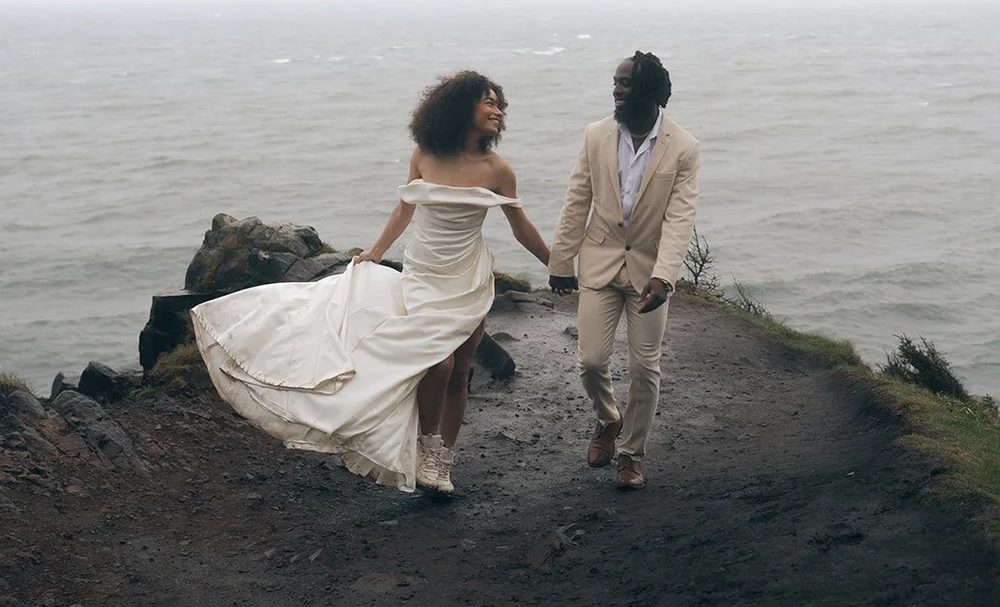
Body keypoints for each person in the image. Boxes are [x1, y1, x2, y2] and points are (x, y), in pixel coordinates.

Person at [191, 71, 549, 496]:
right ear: (460, 107)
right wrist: (375, 253)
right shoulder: (425, 155)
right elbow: (404, 210)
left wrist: (559, 267)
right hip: (424, 273)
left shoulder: (498, 169)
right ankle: (424, 441)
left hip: (467, 277)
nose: (497, 111)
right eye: (488, 102)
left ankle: (440, 461)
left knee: (461, 369)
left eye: (499, 105)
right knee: (438, 363)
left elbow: (519, 226)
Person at [548, 51, 699, 490]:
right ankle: (608, 418)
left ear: (649, 91)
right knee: (591, 361)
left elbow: (679, 218)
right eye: (615, 82)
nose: (616, 89)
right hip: (599, 262)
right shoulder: (596, 135)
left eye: (626, 84)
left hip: (650, 274)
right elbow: (577, 199)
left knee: (643, 367)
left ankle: (632, 455)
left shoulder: (684, 147)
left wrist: (665, 276)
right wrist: (562, 261)